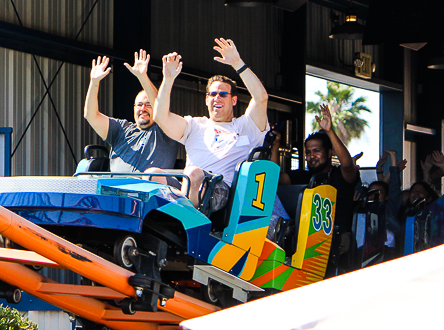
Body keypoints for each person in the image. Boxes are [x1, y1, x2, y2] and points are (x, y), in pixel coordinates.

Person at [152, 38, 287, 232]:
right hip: (188, 188)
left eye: (223, 95)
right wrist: (168, 78)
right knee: (153, 174)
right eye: (212, 94)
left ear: (233, 100)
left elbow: (261, 97)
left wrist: (237, 63)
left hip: (221, 190)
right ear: (206, 99)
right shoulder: (194, 125)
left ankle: (187, 225)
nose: (217, 98)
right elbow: (160, 117)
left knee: (193, 173)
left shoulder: (245, 125)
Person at [275, 105, 360, 268]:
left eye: (316, 151)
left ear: (329, 153)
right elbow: (276, 180)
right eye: (308, 152)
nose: (311, 156)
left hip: (336, 236)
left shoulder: (340, 175)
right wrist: (275, 146)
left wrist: (329, 131)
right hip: (301, 237)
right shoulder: (303, 175)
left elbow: (348, 165)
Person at [83, 49, 179, 185]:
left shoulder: (166, 129)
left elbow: (160, 107)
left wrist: (142, 76)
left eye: (148, 104)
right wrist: (94, 82)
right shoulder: (121, 129)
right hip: (117, 194)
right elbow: (91, 115)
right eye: (139, 105)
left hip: (150, 197)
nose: (143, 109)